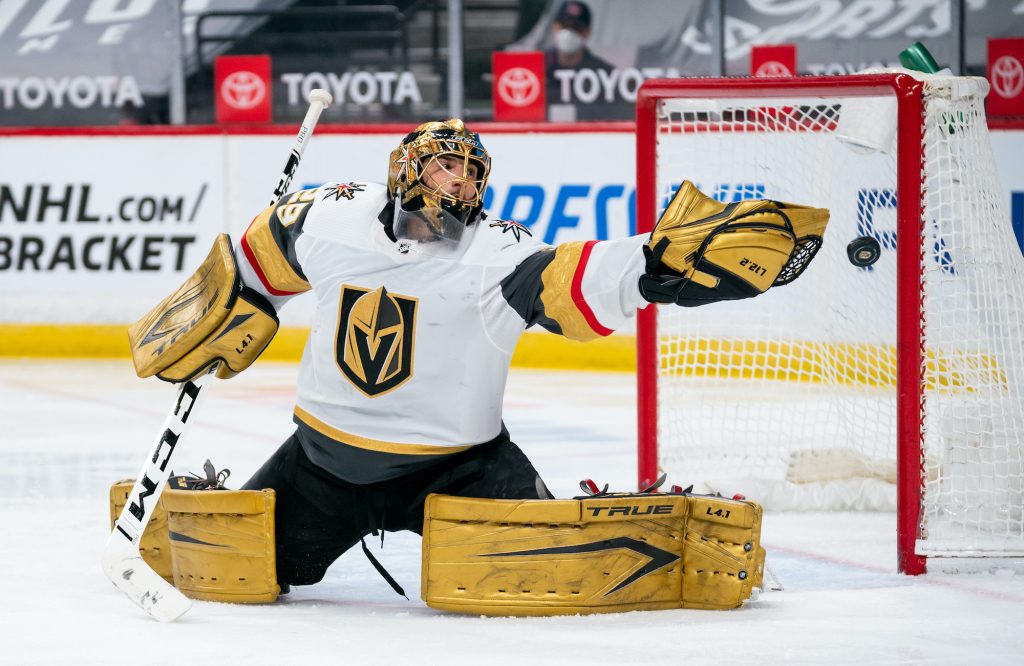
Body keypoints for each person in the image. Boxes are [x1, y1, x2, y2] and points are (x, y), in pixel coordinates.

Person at [130, 119, 828, 597]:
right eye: (447, 166)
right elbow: (260, 256)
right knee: (216, 568)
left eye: (473, 173)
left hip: (462, 470)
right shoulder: (328, 216)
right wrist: (229, 306)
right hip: (320, 467)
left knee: (561, 577)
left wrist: (653, 264)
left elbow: (574, 279)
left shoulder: (499, 250)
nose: (462, 183)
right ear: (406, 168)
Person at [543, 0, 629, 121]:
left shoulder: (605, 75)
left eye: (576, 28)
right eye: (564, 25)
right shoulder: (537, 69)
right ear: (554, 26)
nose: (568, 32)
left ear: (587, 33)